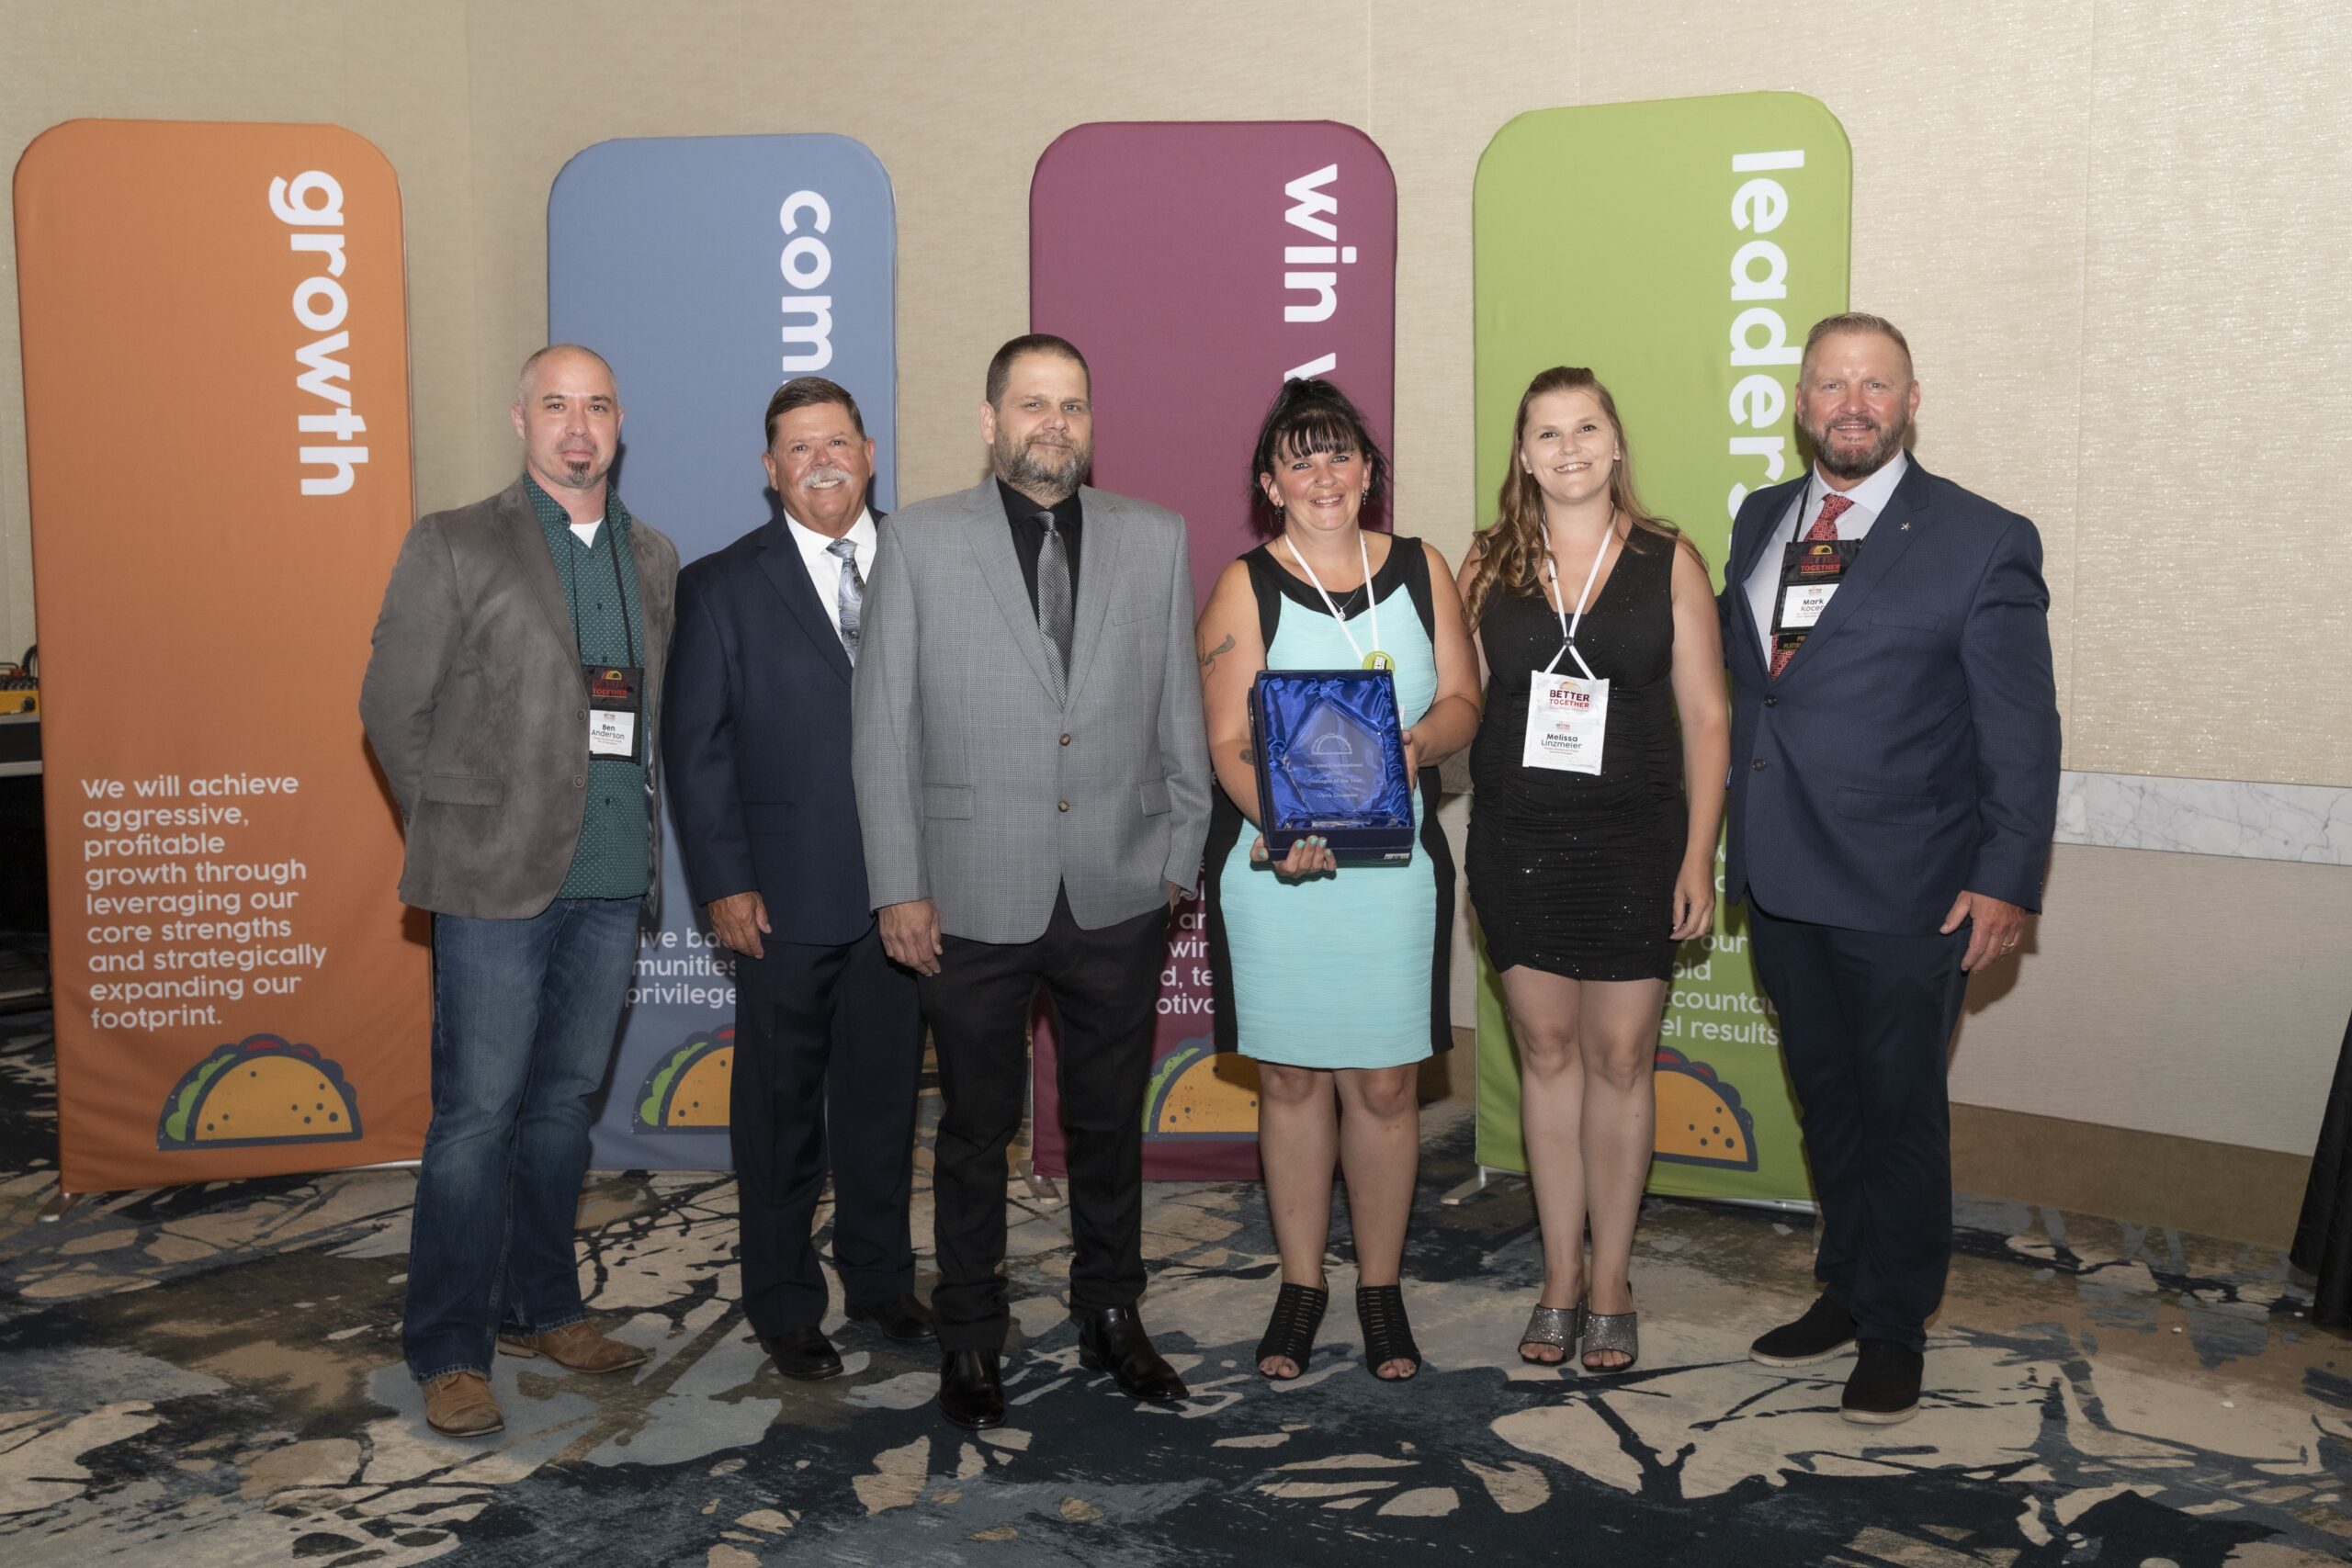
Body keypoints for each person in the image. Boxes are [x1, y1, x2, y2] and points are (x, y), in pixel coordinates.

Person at [850, 333, 1213, 1431]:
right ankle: (969, 1331)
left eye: (1072, 405)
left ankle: (1110, 1313)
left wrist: (1178, 857)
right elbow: (883, 730)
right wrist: (898, 885)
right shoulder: (918, 542)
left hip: (1118, 886)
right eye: (1032, 403)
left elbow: (1178, 709)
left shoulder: (1154, 538)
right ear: (990, 420)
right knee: (973, 1129)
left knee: (1107, 1125)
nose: (1054, 423)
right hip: (968, 893)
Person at [1724, 313, 2059, 1424]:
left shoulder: (1981, 537)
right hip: (1782, 875)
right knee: (1826, 1099)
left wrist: (2006, 876)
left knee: (1898, 1108)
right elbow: (1763, 691)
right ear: (1800, 403)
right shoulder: (1762, 519)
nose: (1852, 405)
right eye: (1831, 384)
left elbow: (2020, 730)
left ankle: (1895, 1325)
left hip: (1909, 888)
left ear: (1911, 402)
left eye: (1876, 385)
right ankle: (1845, 1287)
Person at [359, 344, 679, 1438]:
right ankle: (449, 1347)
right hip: (492, 883)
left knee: (559, 1114)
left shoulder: (653, 555)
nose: (577, 427)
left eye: (597, 406)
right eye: (556, 405)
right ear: (520, 420)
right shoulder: (454, 541)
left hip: (612, 877)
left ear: (619, 423)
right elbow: (391, 707)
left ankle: (543, 1309)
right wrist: (461, 828)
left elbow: (645, 714)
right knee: (475, 1119)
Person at [1195, 378, 1482, 1383]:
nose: (1323, 474)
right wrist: (1284, 827)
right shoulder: (1244, 585)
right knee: (1289, 1079)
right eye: (1299, 458)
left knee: (1386, 1085)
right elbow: (1226, 740)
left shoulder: (1421, 568)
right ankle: (1301, 1282)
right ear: (1270, 484)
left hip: (1392, 874)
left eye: (1339, 453)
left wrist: (1415, 745)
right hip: (1278, 870)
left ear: (1369, 471)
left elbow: (1465, 700)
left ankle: (1381, 1289)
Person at [1458, 367, 1728, 1374]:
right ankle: (1559, 1276)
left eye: (1585, 428)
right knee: (1545, 1053)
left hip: (1634, 844)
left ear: (1615, 444)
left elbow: (1708, 717)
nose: (1567, 447)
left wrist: (1698, 855)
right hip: (1518, 843)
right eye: (1546, 432)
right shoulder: (1486, 562)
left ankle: (1611, 1278)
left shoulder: (1668, 559)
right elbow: (1459, 702)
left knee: (1619, 1060)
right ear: (1523, 456)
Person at [662, 377, 931, 1383]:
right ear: (770, 470)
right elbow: (695, 750)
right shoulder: (721, 584)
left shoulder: (927, 562)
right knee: (778, 1116)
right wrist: (723, 882)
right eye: (799, 448)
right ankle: (782, 1303)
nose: (822, 462)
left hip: (906, 894)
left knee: (884, 1104)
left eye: (837, 442)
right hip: (779, 899)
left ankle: (882, 1282)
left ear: (869, 454)